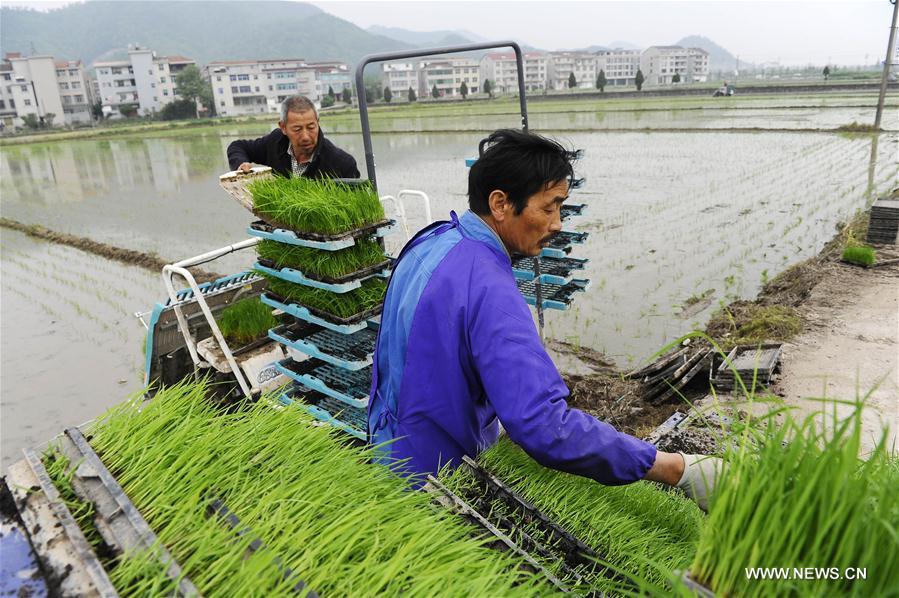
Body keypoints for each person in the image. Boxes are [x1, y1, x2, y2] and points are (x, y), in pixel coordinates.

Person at [368, 129, 722, 511]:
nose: (557, 224)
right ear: (501, 204)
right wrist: (673, 468)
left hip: (387, 452)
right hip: (434, 485)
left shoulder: (432, 240)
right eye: (549, 207)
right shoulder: (490, 289)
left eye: (561, 208)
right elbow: (543, 425)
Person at [227, 95, 359, 179]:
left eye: (311, 127)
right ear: (283, 127)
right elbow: (238, 146)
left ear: (318, 122)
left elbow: (357, 208)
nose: (306, 136)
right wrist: (240, 164)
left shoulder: (343, 163)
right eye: (297, 129)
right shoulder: (275, 142)